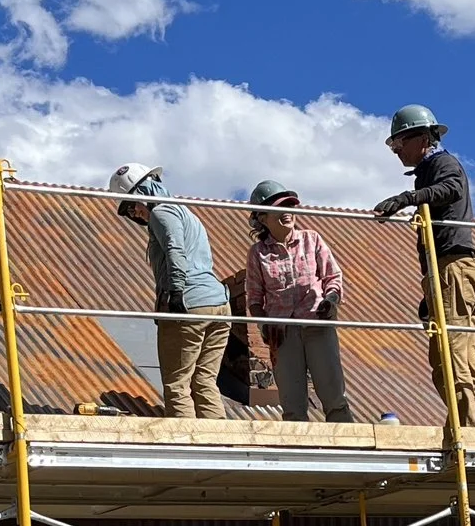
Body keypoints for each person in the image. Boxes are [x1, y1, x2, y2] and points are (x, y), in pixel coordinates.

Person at [370, 104, 475, 427]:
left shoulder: (443, 163)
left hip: (453, 267)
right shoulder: (428, 173)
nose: (397, 150)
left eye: (400, 142)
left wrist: (407, 199)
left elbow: (451, 189)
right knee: (459, 356)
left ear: (423, 138)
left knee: (452, 356)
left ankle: (467, 429)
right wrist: (430, 292)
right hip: (446, 271)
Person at [108, 164, 230, 417]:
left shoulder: (161, 213)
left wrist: (175, 293)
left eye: (132, 206)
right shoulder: (186, 213)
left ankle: (187, 451)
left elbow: (176, 250)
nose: (134, 214)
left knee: (177, 384)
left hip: (189, 304)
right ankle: (222, 447)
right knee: (205, 380)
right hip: (218, 303)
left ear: (142, 193)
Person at [242, 181, 356, 422]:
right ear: (262, 218)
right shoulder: (257, 253)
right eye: (279, 208)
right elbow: (254, 296)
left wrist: (331, 300)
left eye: (289, 206)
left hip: (317, 324)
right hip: (282, 334)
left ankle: (348, 453)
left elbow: (332, 276)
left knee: (334, 395)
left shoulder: (311, 239)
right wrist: (264, 325)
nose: (287, 213)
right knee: (292, 405)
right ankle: (300, 457)